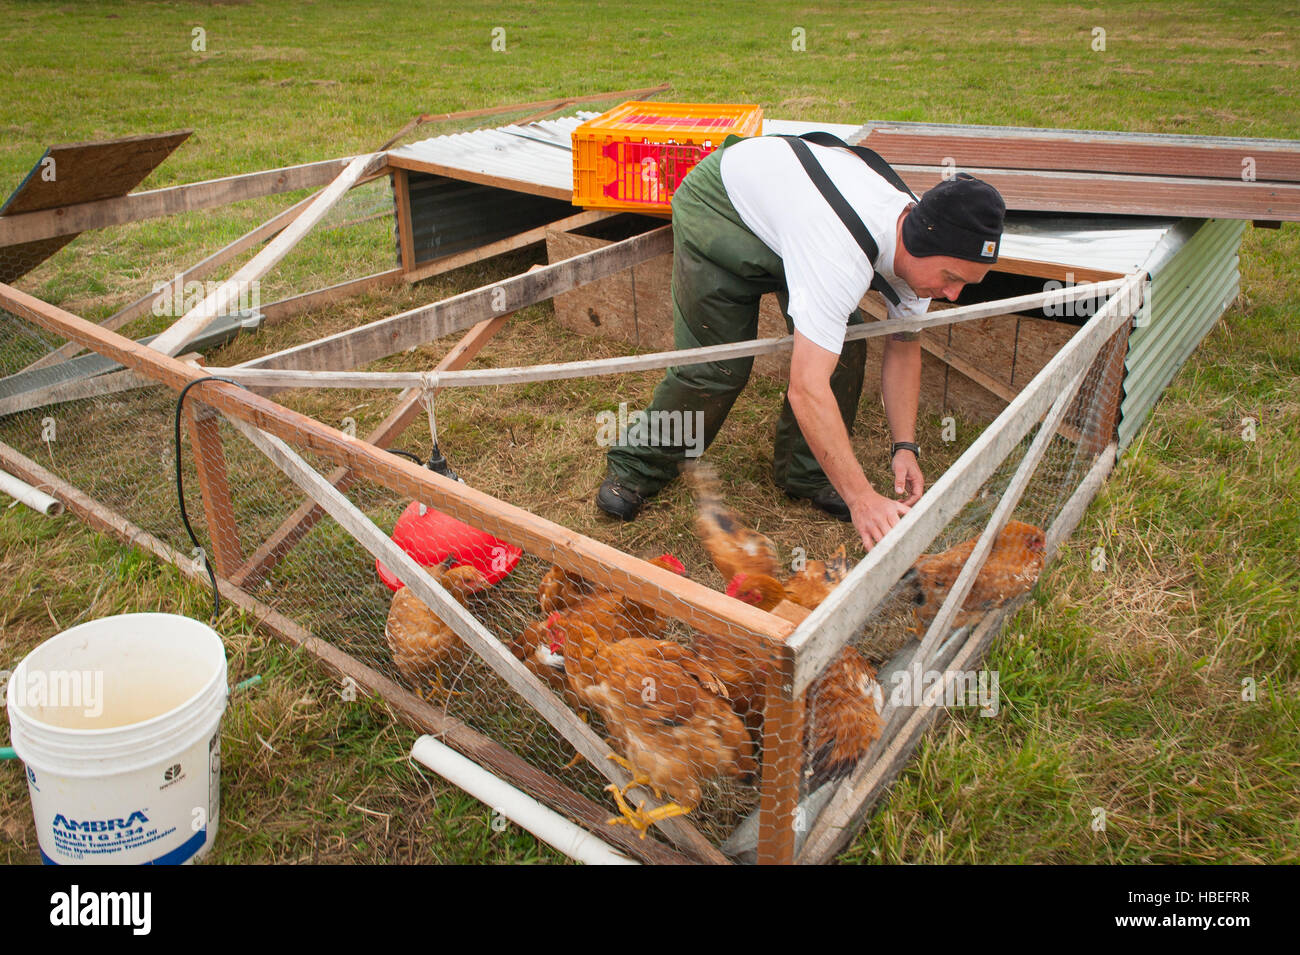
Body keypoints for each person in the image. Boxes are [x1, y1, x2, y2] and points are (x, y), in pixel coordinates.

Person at [596, 131, 1006, 551]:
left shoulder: (920, 256)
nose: (953, 295)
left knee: (845, 346)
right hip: (722, 206)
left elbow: (903, 344)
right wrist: (862, 498)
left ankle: (806, 473)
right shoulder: (840, 253)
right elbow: (807, 388)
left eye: (964, 284)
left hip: (796, 221)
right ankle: (637, 467)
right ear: (919, 243)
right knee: (716, 368)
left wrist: (905, 446)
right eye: (951, 279)